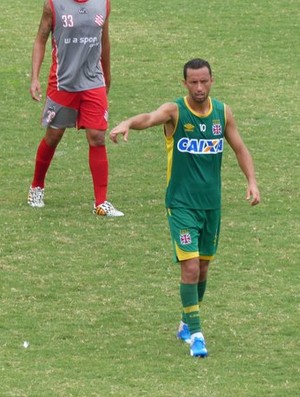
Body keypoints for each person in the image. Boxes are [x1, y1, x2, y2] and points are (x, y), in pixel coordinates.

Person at [109, 58, 260, 357]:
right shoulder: (175, 111)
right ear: (185, 83)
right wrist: (128, 123)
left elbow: (240, 148)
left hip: (211, 207)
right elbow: (149, 118)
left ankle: (185, 323)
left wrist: (252, 181)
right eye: (193, 82)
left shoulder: (222, 113)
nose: (199, 87)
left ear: (212, 80)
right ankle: (197, 335)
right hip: (180, 205)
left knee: (202, 269)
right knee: (189, 267)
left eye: (204, 81)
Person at [28, 0, 123, 217]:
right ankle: (36, 187)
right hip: (63, 82)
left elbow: (104, 41)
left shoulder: (103, 4)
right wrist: (34, 77)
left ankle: (101, 202)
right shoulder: (53, 4)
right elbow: (40, 40)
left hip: (93, 81)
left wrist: (107, 75)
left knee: (97, 136)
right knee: (53, 136)